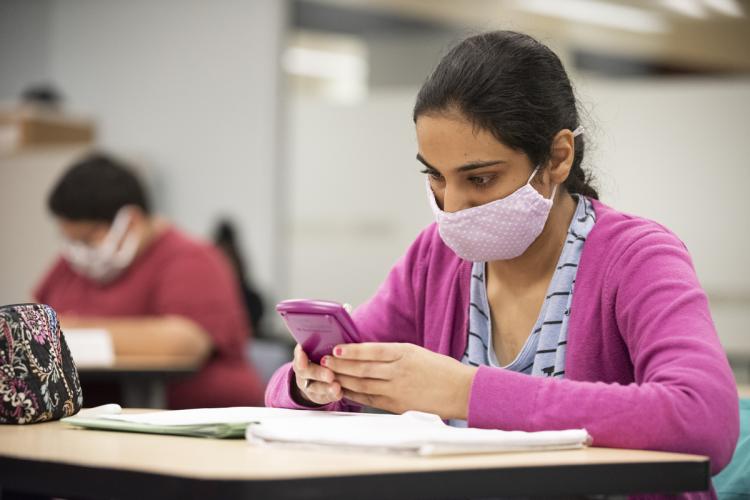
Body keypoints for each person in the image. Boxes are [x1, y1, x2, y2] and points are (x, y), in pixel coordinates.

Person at [265, 30, 739, 486]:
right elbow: (293, 385)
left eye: (481, 178)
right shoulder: (434, 259)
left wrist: (465, 391)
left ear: (557, 157)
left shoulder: (637, 257)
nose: (451, 206)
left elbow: (704, 419)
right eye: (435, 177)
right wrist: (310, 386)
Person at [34, 153, 264, 408]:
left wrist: (70, 330)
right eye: (70, 241)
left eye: (86, 240)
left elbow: (182, 343)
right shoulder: (70, 265)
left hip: (190, 422)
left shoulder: (192, 259)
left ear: (130, 222)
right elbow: (31, 332)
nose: (77, 252)